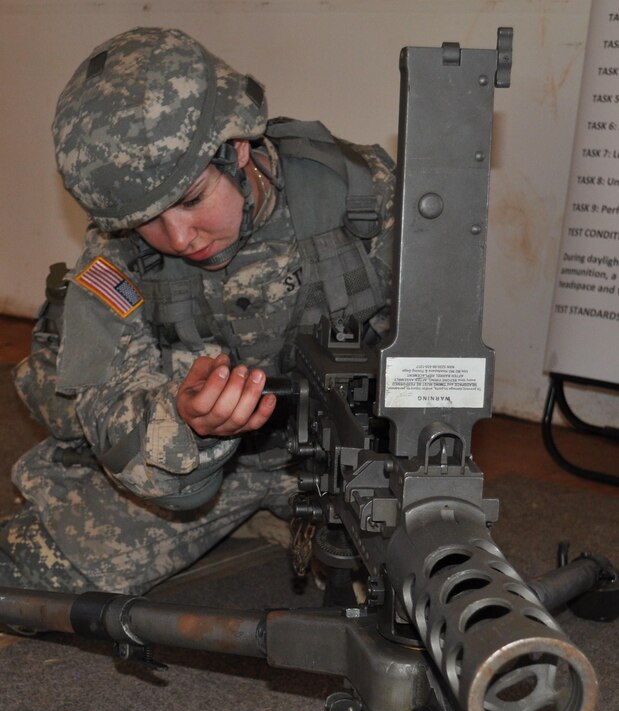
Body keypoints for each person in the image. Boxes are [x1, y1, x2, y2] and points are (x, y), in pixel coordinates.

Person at [0, 27, 394, 595]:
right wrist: (187, 425)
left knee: (437, 581)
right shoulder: (116, 258)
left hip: (354, 463)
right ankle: (252, 516)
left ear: (237, 149)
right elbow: (111, 416)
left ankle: (284, 518)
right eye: (145, 220)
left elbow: (442, 364)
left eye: (191, 200)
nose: (180, 237)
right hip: (209, 475)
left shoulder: (364, 200)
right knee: (25, 577)